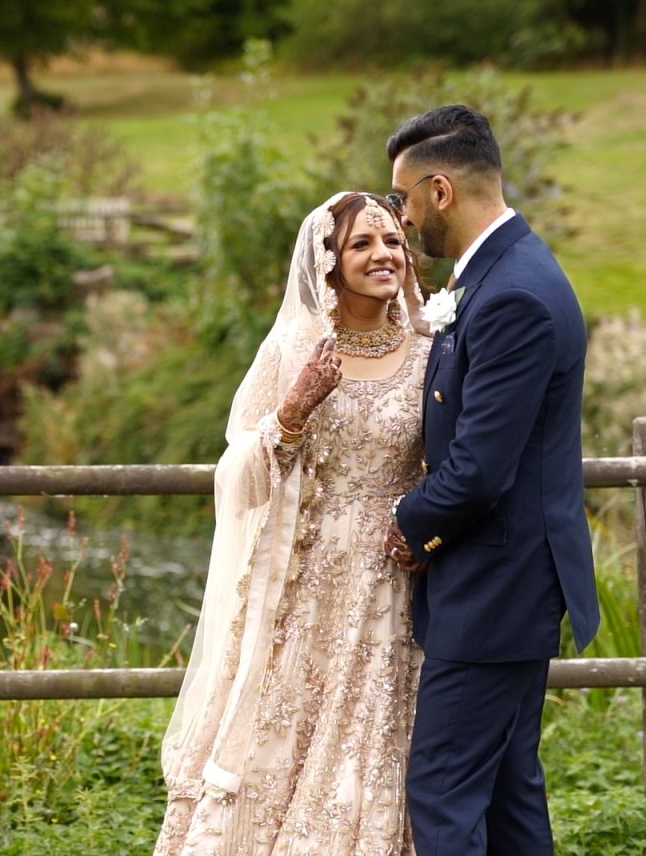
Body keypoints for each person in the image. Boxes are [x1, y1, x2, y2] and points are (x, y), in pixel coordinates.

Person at [156, 192, 432, 856]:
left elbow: (454, 462)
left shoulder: (432, 352)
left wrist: (431, 525)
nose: (383, 254)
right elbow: (237, 476)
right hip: (304, 592)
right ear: (327, 261)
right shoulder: (293, 348)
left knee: (374, 741)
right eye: (361, 244)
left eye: (392, 240)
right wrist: (293, 411)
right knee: (280, 740)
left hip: (394, 590)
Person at [381, 105, 600, 855]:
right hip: (504, 582)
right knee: (508, 791)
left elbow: (478, 471)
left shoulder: (511, 295)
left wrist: (407, 522)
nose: (404, 221)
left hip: (498, 586)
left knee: (441, 789)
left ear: (440, 190)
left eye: (404, 200)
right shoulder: (504, 274)